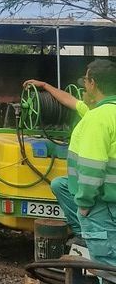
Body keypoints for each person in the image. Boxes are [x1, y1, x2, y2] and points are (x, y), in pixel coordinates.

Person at [35, 62, 116, 264]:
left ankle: (89, 237)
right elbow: (70, 100)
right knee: (60, 184)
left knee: (107, 266)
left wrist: (84, 205)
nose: (84, 86)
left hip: (103, 203)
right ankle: (83, 234)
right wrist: (45, 86)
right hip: (110, 196)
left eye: (85, 81)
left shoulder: (97, 118)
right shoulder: (104, 112)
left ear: (93, 84)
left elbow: (92, 168)